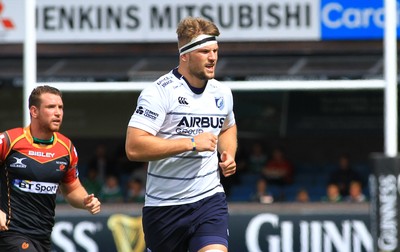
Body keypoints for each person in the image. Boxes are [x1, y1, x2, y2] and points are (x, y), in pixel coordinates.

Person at [125, 16, 237, 252]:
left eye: (215, 50)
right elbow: (134, 147)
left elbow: (227, 126)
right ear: (184, 54)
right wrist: (191, 143)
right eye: (205, 51)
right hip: (164, 207)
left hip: (209, 199)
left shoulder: (222, 93)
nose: (213, 57)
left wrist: (228, 153)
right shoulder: (158, 93)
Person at [0, 85, 101, 251]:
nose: (58, 112)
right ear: (34, 111)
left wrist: (85, 201)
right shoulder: (9, 141)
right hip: (10, 233)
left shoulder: (66, 148)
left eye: (60, 107)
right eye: (51, 107)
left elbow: (71, 189)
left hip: (43, 236)